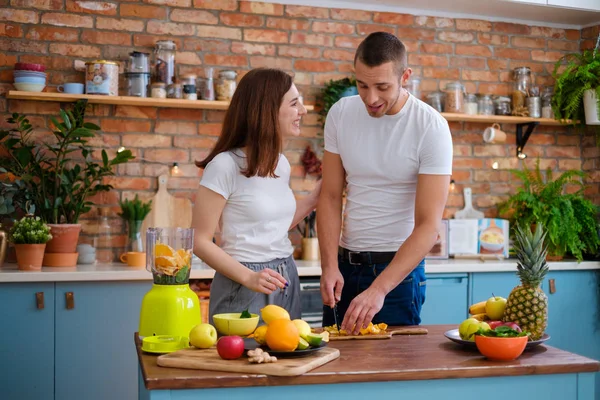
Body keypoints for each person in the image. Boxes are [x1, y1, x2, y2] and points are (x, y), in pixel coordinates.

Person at [318, 32, 453, 334]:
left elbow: (428, 227)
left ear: (405, 76)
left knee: (390, 373)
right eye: (362, 85)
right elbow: (328, 196)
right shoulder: (341, 114)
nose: (371, 98)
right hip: (344, 268)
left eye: (382, 87)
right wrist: (328, 265)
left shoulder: (430, 127)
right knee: (333, 370)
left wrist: (379, 289)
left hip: (398, 276)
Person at [192, 68, 320, 323]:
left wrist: (316, 196)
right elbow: (199, 241)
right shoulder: (224, 165)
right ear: (267, 111)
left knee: (286, 361)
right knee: (245, 361)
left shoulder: (280, 164)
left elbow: (272, 226)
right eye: (294, 104)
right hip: (243, 284)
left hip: (285, 277)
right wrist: (249, 277)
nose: (303, 111)